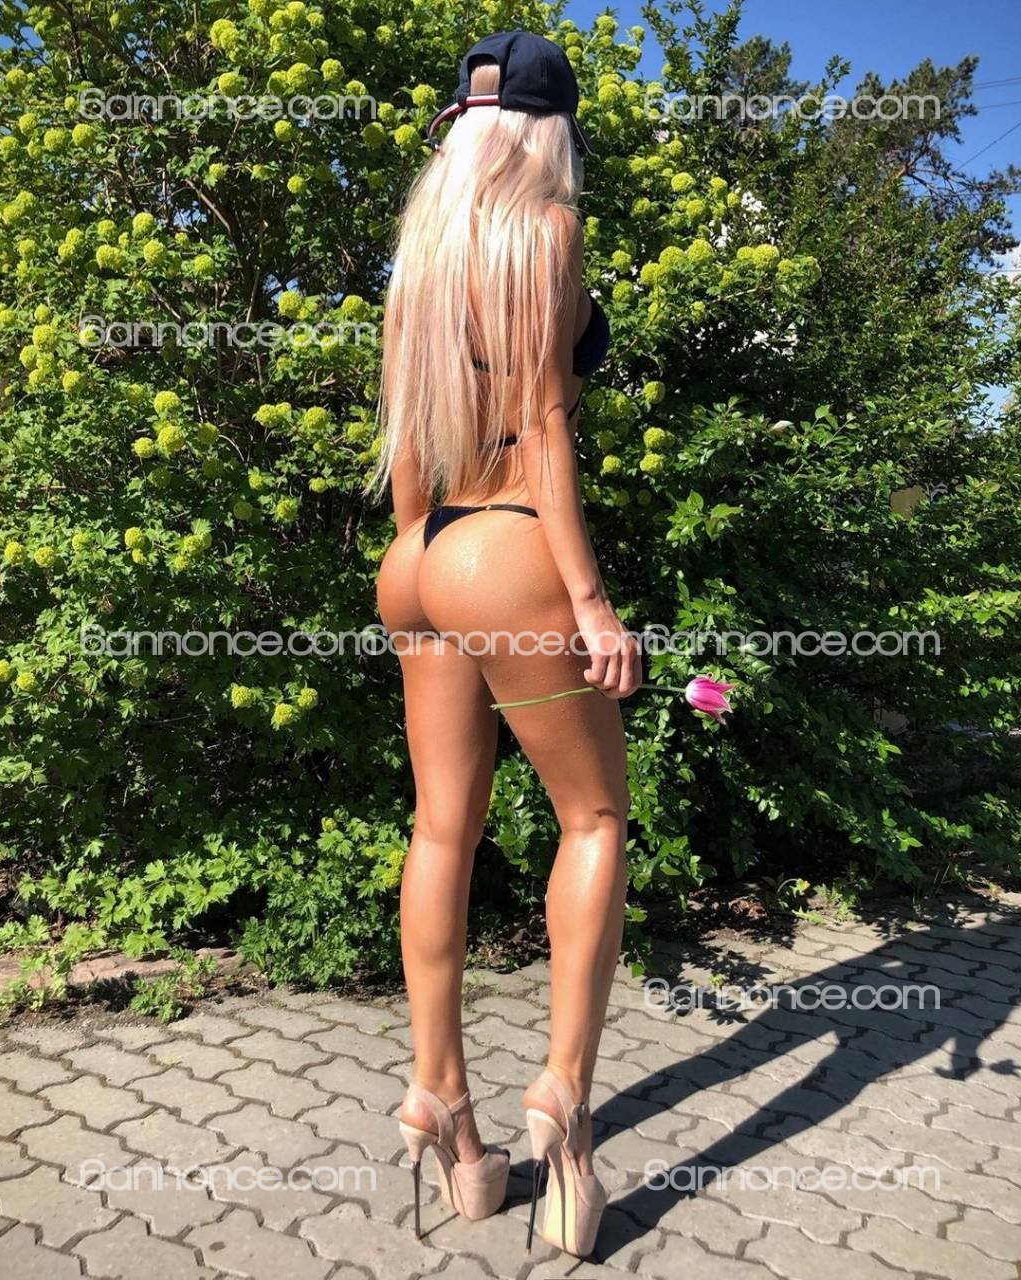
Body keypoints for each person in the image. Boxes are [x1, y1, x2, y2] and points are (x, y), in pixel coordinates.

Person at [374, 30, 641, 1259]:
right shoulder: (548, 231)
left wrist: (415, 555)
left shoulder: (422, 253)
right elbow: (543, 427)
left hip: (420, 551)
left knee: (442, 829)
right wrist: (588, 599)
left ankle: (445, 1107)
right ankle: (564, 1109)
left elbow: (407, 441)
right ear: (550, 132)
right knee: (593, 819)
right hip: (509, 549)